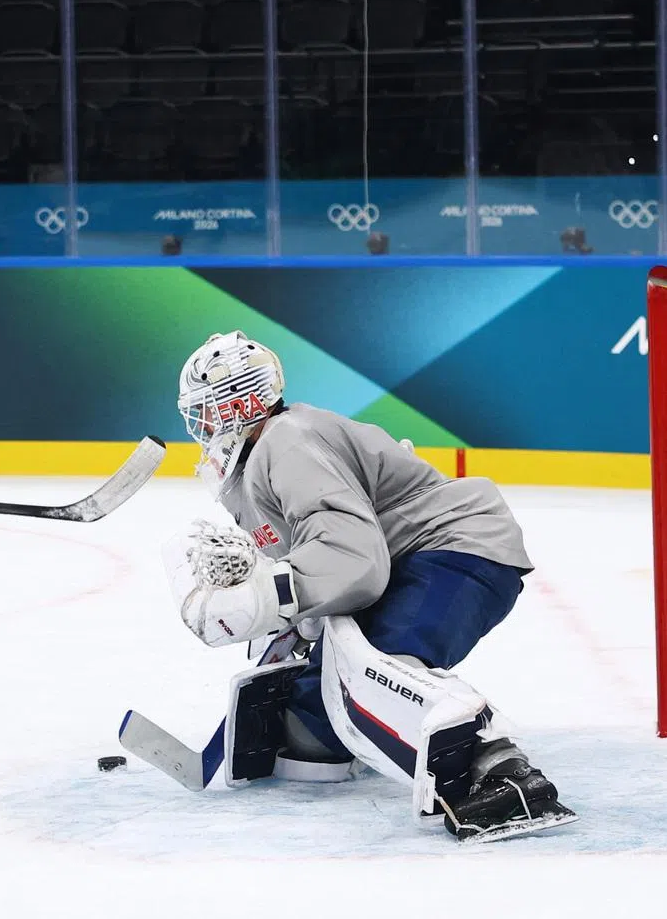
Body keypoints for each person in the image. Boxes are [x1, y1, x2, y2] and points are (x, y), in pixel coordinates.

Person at [163, 329, 576, 843]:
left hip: (456, 546)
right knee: (309, 730)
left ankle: (502, 772)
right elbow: (328, 563)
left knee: (372, 671)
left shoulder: (286, 441)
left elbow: (354, 563)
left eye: (204, 410)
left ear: (237, 404)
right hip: (406, 562)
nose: (199, 426)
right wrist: (293, 621)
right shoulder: (261, 462)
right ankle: (377, 730)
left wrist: (260, 601)